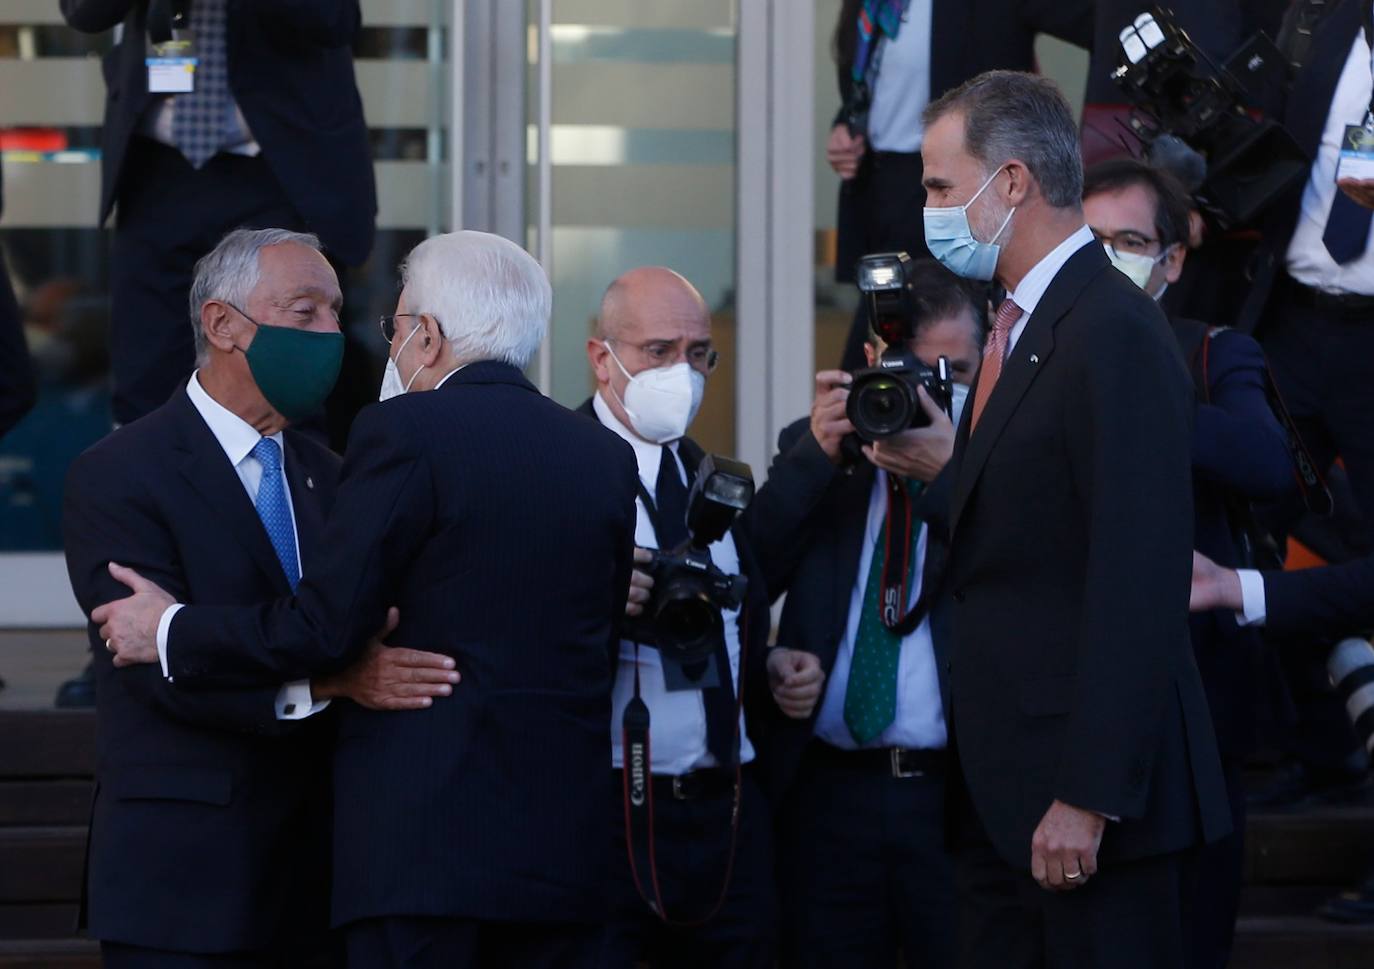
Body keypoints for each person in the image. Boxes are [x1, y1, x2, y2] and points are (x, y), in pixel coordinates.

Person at [92, 230, 640, 969]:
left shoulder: (399, 433)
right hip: (562, 855)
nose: (347, 338)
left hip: (420, 859)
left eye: (391, 322)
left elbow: (326, 624)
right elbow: (601, 636)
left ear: (428, 335)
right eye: (305, 310)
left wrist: (170, 630)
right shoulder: (600, 452)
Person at [61, 228, 458, 968]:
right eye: (305, 312)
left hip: (321, 879)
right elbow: (155, 668)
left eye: (338, 313)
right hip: (183, 884)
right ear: (222, 325)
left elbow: (357, 625)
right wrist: (326, 679)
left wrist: (185, 630)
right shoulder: (118, 473)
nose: (331, 335)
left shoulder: (336, 473)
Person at [918, 70, 1230, 968]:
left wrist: (1089, 794)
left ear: (1010, 182)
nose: (932, 209)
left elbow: (1137, 575)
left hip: (1089, 812)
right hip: (1000, 792)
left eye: (943, 186)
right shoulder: (1019, 323)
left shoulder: (1114, 329)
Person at [1083, 158, 1296, 969]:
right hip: (1068, 698)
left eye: (1129, 241)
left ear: (1172, 261)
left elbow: (1267, 461)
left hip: (1199, 698)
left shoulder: (1212, 353)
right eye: (1090, 241)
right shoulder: (1023, 353)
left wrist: (1137, 389)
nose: (1108, 261)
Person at [748, 260, 984, 969]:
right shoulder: (822, 450)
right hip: (827, 794)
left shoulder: (998, 465)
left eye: (958, 373)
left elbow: (1025, 575)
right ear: (874, 365)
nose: (934, 394)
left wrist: (954, 473)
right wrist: (815, 458)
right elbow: (751, 573)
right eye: (918, 372)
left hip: (955, 801)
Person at [582, 267, 776, 969]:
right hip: (609, 813)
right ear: (603, 359)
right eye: (658, 351)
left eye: (698, 354)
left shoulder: (714, 478)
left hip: (727, 811)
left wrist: (777, 663)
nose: (682, 374)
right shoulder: (563, 473)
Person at [58, 0, 376, 426]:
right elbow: (83, 11)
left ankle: (281, 491)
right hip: (159, 169)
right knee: (146, 382)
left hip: (278, 170)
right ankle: (153, 490)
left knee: (290, 379)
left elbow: (335, 19)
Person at [828, 0, 1094, 370]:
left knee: (954, 348)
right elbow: (872, 90)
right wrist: (846, 129)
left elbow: (1101, 22)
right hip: (882, 192)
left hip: (962, 191)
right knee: (881, 358)